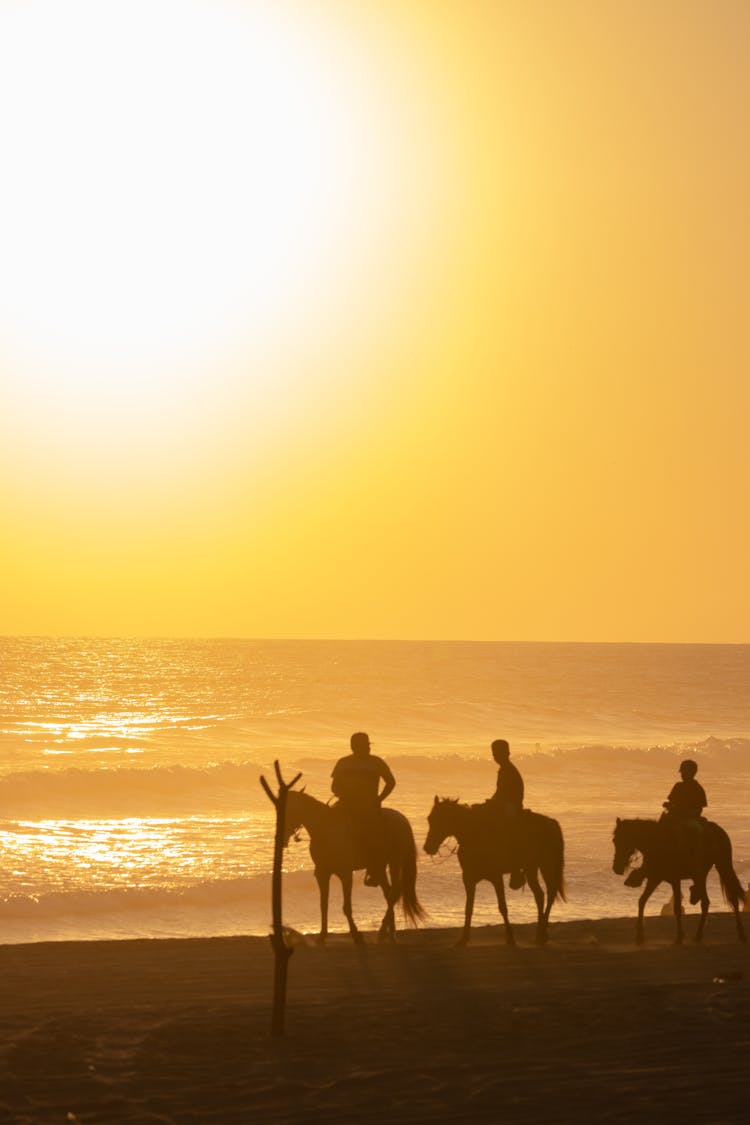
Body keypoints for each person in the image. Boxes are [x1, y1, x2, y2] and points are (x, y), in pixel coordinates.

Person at [625, 760, 708, 902]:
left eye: (684, 771)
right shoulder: (678, 786)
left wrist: (683, 812)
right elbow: (673, 802)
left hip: (690, 819)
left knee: (696, 831)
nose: (682, 774)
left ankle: (696, 863)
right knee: (658, 831)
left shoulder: (697, 788)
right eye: (682, 772)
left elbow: (699, 809)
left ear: (691, 773)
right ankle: (649, 865)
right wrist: (669, 805)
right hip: (676, 817)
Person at [331, 732, 395, 887]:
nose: (367, 748)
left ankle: (375, 870)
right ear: (354, 747)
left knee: (374, 835)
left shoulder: (376, 762)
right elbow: (334, 786)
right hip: (346, 805)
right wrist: (343, 793)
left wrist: (378, 799)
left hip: (368, 808)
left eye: (367, 746)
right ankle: (327, 860)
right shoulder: (343, 763)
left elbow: (391, 782)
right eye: (364, 746)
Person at [488, 739, 525, 889]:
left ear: (507, 753)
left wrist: (492, 802)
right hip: (506, 803)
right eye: (494, 753)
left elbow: (503, 793)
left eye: (498, 753)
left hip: (512, 805)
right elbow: (499, 793)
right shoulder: (504, 769)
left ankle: (514, 867)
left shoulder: (508, 770)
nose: (495, 756)